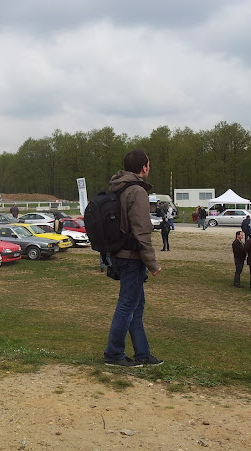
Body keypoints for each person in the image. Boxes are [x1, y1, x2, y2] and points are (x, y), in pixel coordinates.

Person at [104, 149, 163, 368]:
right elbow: (142, 230)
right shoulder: (137, 191)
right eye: (149, 164)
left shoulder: (118, 187)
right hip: (132, 257)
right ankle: (113, 354)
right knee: (127, 306)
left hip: (120, 254)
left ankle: (143, 354)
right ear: (144, 167)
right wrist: (153, 264)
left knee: (135, 306)